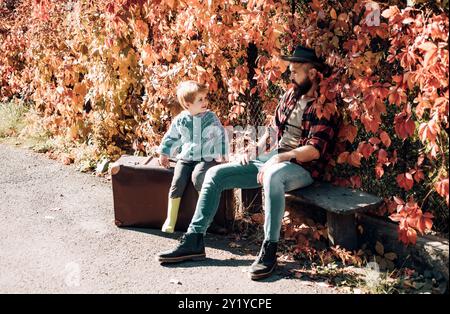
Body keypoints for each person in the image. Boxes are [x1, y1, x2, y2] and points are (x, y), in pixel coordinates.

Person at [157, 46, 339, 280]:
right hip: (272, 158)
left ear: (313, 74)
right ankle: (194, 239)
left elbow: (314, 150)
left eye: (295, 71)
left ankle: (269, 251)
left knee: (273, 175)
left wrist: (279, 157)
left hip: (300, 167)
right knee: (215, 175)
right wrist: (252, 150)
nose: (290, 76)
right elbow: (273, 132)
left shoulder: (325, 105)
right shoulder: (289, 96)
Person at [158, 80, 228, 233]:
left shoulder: (210, 118)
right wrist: (164, 153)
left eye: (205, 98)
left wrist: (223, 152)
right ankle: (171, 219)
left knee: (199, 178)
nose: (205, 102)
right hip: (186, 158)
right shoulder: (181, 119)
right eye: (200, 99)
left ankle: (207, 220)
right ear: (188, 104)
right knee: (177, 181)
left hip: (206, 157)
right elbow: (171, 137)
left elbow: (220, 135)